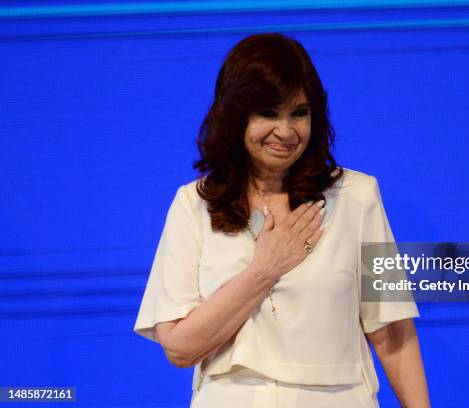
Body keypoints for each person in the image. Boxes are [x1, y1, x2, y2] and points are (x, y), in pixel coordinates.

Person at [134, 32, 430, 408]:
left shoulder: (357, 197)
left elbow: (392, 332)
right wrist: (264, 270)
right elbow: (179, 348)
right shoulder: (194, 204)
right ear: (236, 116)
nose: (286, 131)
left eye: (299, 113)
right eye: (269, 113)